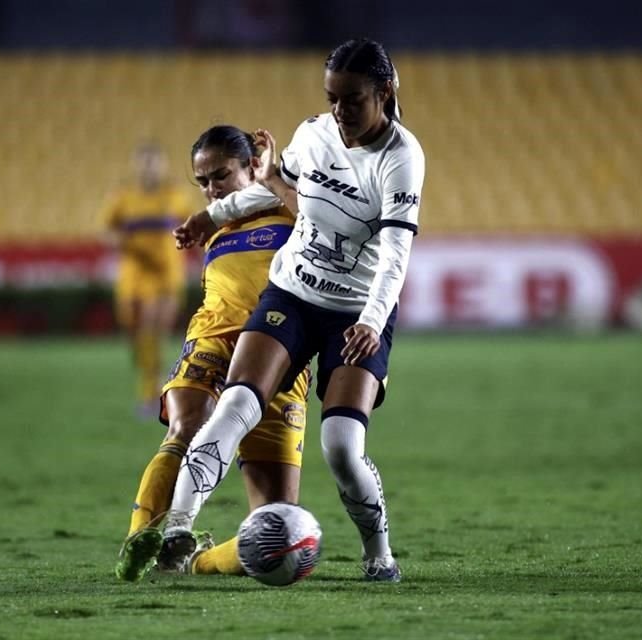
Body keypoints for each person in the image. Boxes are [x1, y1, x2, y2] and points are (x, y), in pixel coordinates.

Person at [160, 38, 425, 583]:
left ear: (385, 93)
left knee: (341, 448)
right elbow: (273, 190)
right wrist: (215, 214)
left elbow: (396, 253)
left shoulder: (401, 159)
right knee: (234, 405)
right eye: (332, 98)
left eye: (352, 99)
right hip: (292, 295)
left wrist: (372, 322)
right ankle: (176, 532)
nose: (340, 111)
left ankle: (379, 554)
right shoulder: (315, 133)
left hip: (355, 313)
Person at [114, 125, 311, 581]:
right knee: (185, 428)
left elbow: (298, 202)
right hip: (215, 337)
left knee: (279, 529)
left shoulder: (291, 206)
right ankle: (137, 543)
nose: (209, 190)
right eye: (201, 182)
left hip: (283, 354)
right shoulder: (215, 226)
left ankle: (195, 561)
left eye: (220, 175)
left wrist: (275, 177)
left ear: (252, 165)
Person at [100, 142, 194, 417]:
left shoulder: (175, 195)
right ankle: (152, 376)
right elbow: (107, 231)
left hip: (166, 274)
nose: (150, 168)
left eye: (155, 162)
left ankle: (151, 393)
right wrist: (123, 242)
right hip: (134, 274)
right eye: (145, 162)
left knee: (155, 327)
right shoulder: (123, 197)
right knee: (136, 332)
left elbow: (193, 227)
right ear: (137, 165)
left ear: (163, 165)